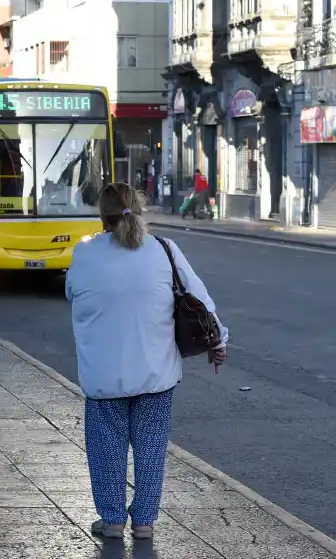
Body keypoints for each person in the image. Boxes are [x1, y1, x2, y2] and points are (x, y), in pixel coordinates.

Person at [65, 182, 228, 540]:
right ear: (139, 208)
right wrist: (220, 341)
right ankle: (144, 522)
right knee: (152, 450)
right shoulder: (164, 250)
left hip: (104, 374)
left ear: (101, 216)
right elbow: (201, 302)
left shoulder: (85, 255)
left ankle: (111, 520)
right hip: (156, 373)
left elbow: (72, 294)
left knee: (106, 450)